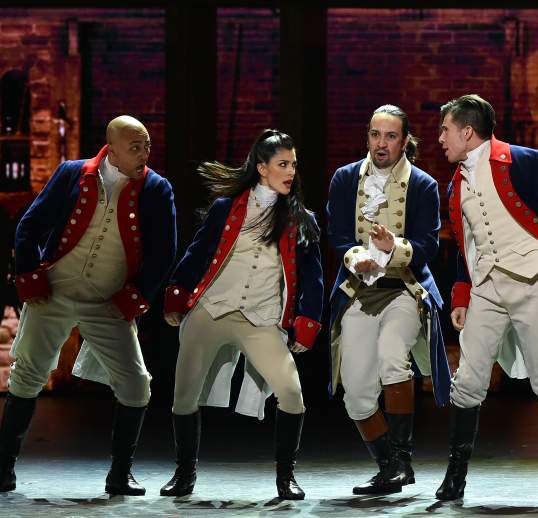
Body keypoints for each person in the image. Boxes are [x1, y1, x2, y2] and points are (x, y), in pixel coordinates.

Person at [0, 115, 177, 495]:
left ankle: (120, 474)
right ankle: (3, 467)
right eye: (135, 146)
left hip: (107, 301)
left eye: (146, 145)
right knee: (27, 376)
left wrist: (136, 297)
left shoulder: (157, 189)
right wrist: (30, 279)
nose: (144, 153)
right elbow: (28, 226)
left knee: (135, 385)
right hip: (55, 293)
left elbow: (165, 252)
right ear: (110, 149)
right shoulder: (71, 173)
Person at [436, 94, 538, 502]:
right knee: (467, 379)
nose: (440, 139)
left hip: (534, 279)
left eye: (446, 130)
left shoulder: (526, 161)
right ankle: (455, 477)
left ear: (467, 132)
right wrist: (462, 294)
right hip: (488, 286)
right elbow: (465, 242)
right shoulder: (456, 182)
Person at [160, 130, 323, 500]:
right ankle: (184, 473)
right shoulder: (228, 207)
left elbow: (313, 279)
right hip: (212, 311)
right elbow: (197, 253)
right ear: (262, 168)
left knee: (292, 393)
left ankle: (286, 478)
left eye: (293, 165)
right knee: (183, 395)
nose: (290, 172)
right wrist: (177, 296)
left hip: (261, 319)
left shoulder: (301, 219)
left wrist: (305, 322)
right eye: (282, 164)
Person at [326, 105, 449, 495]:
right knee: (357, 391)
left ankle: (402, 461)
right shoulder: (345, 179)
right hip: (360, 290)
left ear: (405, 140)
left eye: (391, 136)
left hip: (405, 289)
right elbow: (339, 234)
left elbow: (428, 245)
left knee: (392, 353)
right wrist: (354, 257)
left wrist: (391, 246)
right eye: (375, 134)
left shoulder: (423, 184)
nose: (382, 143)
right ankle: (390, 465)